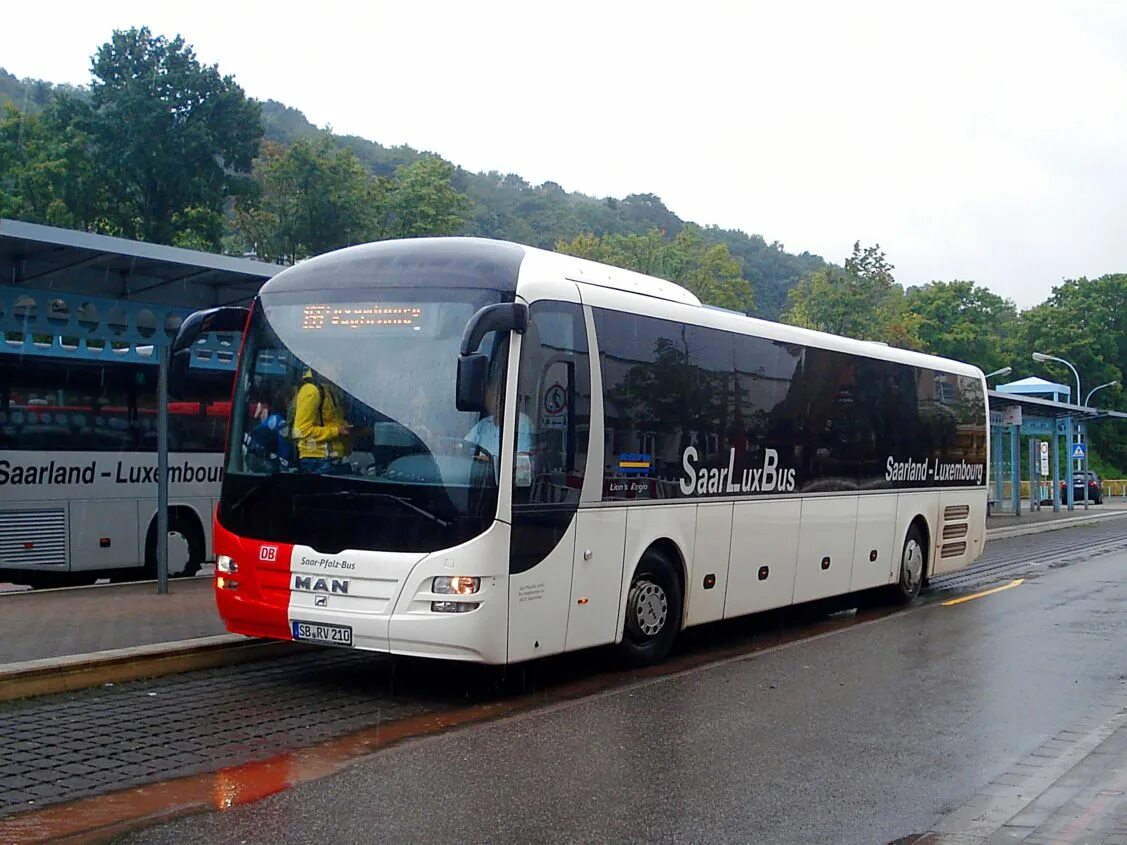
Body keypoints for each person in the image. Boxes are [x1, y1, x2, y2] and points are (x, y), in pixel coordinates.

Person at [292, 368, 352, 473]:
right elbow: (301, 430)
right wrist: (336, 431)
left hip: (333, 458)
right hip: (318, 459)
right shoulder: (311, 391)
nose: (338, 369)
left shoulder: (328, 389)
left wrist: (343, 427)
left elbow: (329, 419)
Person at [464, 380, 533, 463]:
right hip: (479, 474)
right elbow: (465, 447)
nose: (494, 400)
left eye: (497, 395)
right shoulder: (483, 424)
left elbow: (521, 459)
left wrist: (490, 461)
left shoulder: (522, 422)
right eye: (490, 395)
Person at [245, 388, 294, 473]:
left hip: (251, 457)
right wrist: (284, 471)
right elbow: (284, 451)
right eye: (290, 401)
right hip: (263, 461)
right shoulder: (281, 424)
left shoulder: (272, 419)